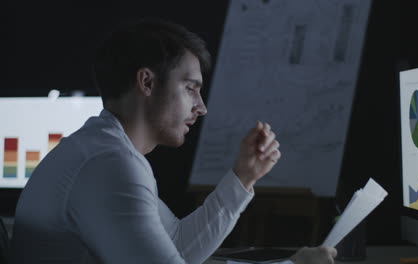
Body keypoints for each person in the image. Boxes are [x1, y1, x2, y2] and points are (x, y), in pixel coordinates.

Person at [9, 19, 336, 264]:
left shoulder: (104, 149)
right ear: (147, 82)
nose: (201, 107)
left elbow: (178, 245)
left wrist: (243, 177)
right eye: (190, 88)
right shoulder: (109, 164)